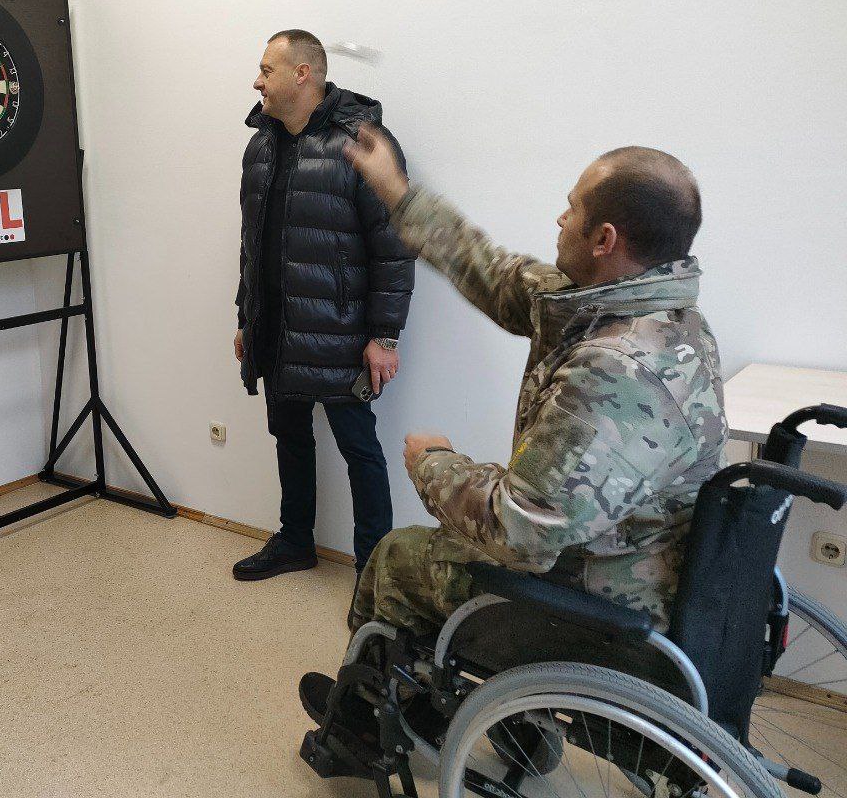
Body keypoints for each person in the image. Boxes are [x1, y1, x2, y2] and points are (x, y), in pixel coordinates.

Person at [339, 129, 726, 636]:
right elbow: (498, 274)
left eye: (572, 210)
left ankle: (366, 709)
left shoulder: (621, 371)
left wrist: (432, 463)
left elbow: (518, 530)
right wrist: (399, 196)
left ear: (604, 239)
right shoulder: (651, 310)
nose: (560, 220)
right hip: (608, 546)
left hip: (604, 595)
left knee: (400, 557)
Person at [232, 31, 415, 581]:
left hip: (340, 330)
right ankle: (295, 541)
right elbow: (251, 243)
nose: (257, 80)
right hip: (277, 326)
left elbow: (396, 244)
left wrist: (384, 337)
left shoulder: (362, 142)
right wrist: (247, 317)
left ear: (303, 74)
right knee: (288, 437)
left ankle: (374, 573)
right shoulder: (260, 144)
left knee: (359, 449)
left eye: (267, 69)